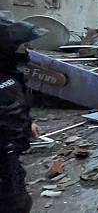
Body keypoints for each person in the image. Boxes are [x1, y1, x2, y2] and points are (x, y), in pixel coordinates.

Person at [0, 17, 47, 213]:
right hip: (4, 158)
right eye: (23, 46)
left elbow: (14, 106)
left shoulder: (10, 75)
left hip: (10, 156)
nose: (27, 51)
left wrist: (28, 123)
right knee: (16, 204)